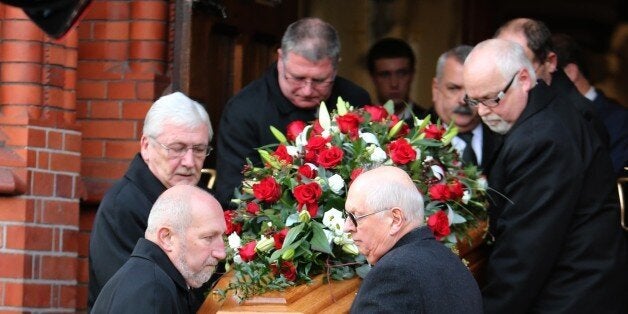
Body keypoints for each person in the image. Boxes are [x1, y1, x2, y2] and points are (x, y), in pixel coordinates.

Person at [463, 38, 628, 313]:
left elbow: (525, 250)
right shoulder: (547, 110)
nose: (482, 112)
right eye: (474, 101)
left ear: (524, 79)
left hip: (571, 295)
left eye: (492, 99)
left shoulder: (539, 139)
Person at [215, 17, 371, 208]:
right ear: (280, 59)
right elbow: (232, 193)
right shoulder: (244, 111)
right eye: (297, 78)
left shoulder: (355, 100)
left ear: (336, 66)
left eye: (320, 81)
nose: (307, 90)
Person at [88, 92, 213, 310]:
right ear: (146, 146)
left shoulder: (199, 200)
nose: (190, 161)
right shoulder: (121, 208)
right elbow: (135, 295)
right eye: (177, 148)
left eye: (199, 149)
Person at [344, 166, 482, 313]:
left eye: (355, 216)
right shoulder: (449, 259)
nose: (347, 227)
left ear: (395, 220)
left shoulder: (393, 275)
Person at [91, 185, 227, 313]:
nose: (222, 253)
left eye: (222, 236)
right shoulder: (152, 291)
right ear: (167, 238)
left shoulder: (152, 281)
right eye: (208, 237)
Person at [494, 18, 610, 147]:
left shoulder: (577, 117)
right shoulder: (495, 102)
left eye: (522, 69)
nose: (509, 79)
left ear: (550, 62)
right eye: (503, 66)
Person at [552, 33, 628, 176]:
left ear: (570, 73)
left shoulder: (619, 120)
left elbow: (610, 175)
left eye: (544, 76)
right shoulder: (549, 117)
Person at [431, 45, 501, 172]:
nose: (463, 100)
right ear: (436, 89)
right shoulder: (409, 136)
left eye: (471, 90)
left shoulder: (503, 135)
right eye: (454, 88)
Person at [366, 37, 427, 123]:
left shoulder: (430, 123)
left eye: (402, 73)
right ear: (373, 77)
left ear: (412, 75)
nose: (394, 83)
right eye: (385, 75)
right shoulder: (361, 123)